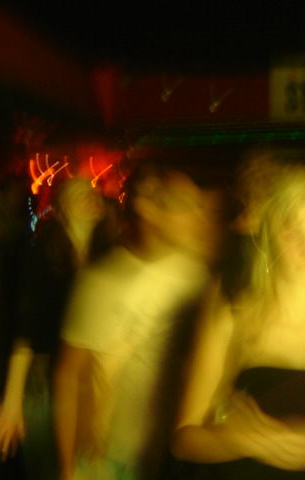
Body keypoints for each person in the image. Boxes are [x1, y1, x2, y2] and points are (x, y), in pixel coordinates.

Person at [170, 162, 305, 480]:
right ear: (271, 235)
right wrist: (248, 441)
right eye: (294, 233)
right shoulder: (235, 309)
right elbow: (184, 439)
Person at [53, 158, 222, 480]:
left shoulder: (198, 274)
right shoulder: (103, 283)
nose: (198, 217)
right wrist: (67, 467)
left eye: (199, 206)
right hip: (117, 458)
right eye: (186, 206)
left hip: (175, 455)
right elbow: (68, 379)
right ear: (148, 210)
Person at [0, 177, 112, 479]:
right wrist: (12, 401)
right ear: (61, 208)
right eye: (79, 193)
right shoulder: (41, 257)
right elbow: (24, 331)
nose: (90, 196)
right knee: (49, 468)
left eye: (93, 192)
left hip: (89, 383)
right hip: (44, 382)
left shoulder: (107, 257)